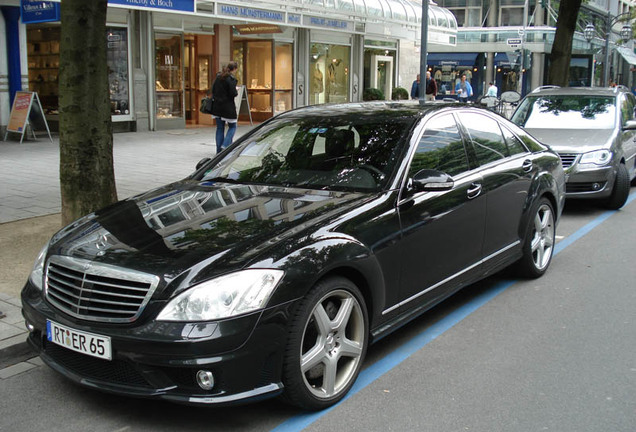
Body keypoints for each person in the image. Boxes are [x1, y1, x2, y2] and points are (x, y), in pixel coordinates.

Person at [211, 61, 239, 154]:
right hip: (228, 108)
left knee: (220, 128)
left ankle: (218, 151)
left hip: (217, 107)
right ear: (234, 69)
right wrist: (236, 89)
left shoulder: (218, 78)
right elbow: (233, 93)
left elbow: (213, 90)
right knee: (233, 126)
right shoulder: (231, 79)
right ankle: (225, 145)